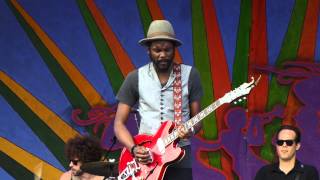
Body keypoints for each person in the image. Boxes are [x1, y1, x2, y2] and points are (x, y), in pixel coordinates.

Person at [114, 20, 203, 180]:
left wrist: (190, 130)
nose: (162, 54)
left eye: (167, 50)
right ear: (148, 50)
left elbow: (197, 120)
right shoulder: (135, 78)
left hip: (180, 157)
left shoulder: (190, 75)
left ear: (174, 49)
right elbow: (118, 124)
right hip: (146, 159)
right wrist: (134, 149)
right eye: (157, 50)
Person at [254, 125, 319, 180]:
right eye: (280, 142)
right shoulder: (264, 173)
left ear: (297, 146)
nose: (284, 145)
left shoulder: (309, 173)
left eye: (289, 142)